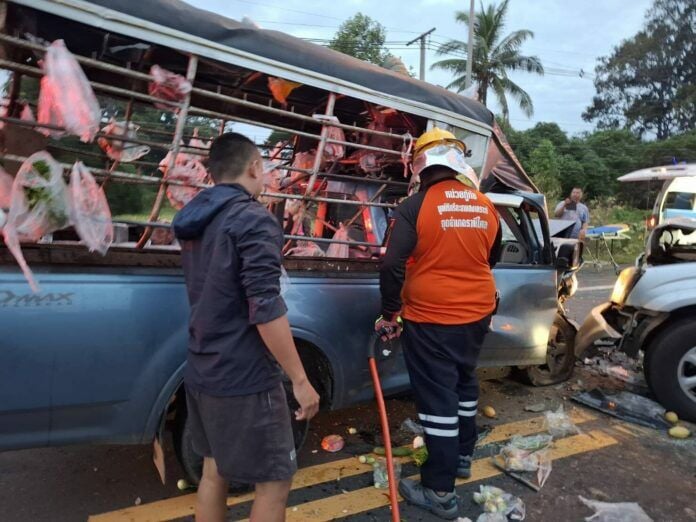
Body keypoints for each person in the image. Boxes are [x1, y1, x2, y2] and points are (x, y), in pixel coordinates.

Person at [172, 133, 320, 522]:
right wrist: (300, 381)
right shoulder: (252, 218)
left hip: (202, 367)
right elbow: (266, 307)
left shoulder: (196, 218)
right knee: (275, 479)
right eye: (263, 166)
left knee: (213, 469)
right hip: (245, 376)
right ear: (255, 166)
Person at [376, 128, 501, 520]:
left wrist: (389, 313)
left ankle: (439, 490)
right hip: (478, 311)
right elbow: (491, 257)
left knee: (437, 402)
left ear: (420, 165)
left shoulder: (414, 206)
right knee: (464, 382)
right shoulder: (485, 205)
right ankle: (463, 456)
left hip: (432, 318)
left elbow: (392, 263)